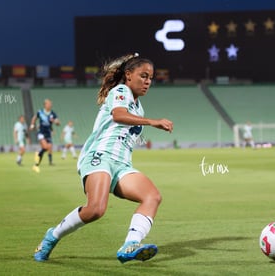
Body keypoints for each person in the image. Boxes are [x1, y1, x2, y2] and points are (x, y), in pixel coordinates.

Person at [33, 53, 173, 264]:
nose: (147, 81)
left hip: (122, 164)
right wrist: (152, 122)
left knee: (152, 196)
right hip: (99, 156)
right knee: (96, 209)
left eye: (150, 78)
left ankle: (130, 245)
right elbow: (118, 115)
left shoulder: (138, 106)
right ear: (128, 75)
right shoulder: (120, 91)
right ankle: (52, 236)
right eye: (143, 75)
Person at [30, 99, 60, 172]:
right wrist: (32, 125)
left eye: (51, 104)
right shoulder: (40, 112)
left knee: (48, 148)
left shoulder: (53, 113)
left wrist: (55, 121)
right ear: (45, 105)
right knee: (45, 147)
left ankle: (36, 164)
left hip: (48, 133)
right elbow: (34, 118)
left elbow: (58, 123)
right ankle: (36, 160)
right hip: (41, 132)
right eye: (49, 103)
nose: (50, 105)